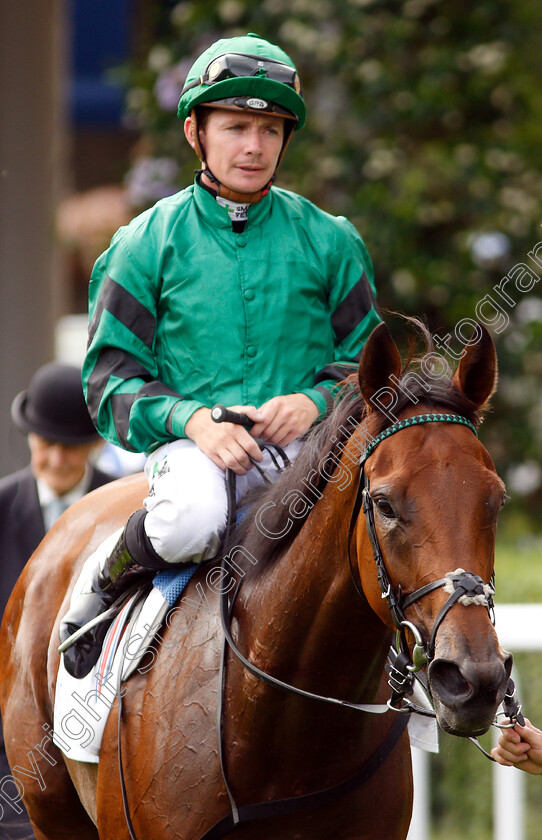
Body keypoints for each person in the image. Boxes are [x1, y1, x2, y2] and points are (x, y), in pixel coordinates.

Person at [60, 33, 381, 679]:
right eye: (235, 126)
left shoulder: (333, 241)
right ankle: (103, 582)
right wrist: (196, 422)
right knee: (192, 522)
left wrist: (314, 400)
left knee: (388, 530)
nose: (254, 146)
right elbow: (109, 381)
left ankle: (425, 691)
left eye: (270, 129)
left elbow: (369, 366)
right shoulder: (142, 244)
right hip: (193, 448)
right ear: (194, 131)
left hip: (309, 448)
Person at [0, 361, 115, 839]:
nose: (55, 458)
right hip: (10, 737)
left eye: (70, 446)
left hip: (103, 734)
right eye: (45, 443)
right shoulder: (2, 509)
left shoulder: (125, 506)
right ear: (28, 436)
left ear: (92, 443)